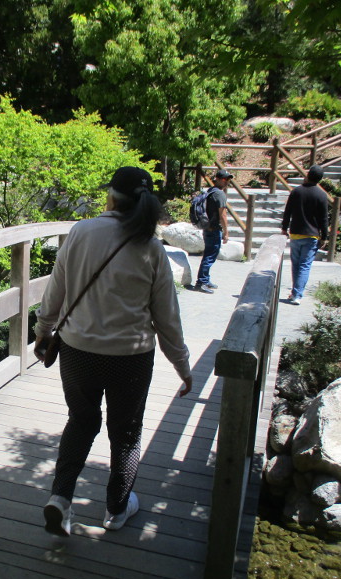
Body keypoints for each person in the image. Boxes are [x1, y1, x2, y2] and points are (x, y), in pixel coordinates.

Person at [34, 166, 193, 537]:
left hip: (78, 352)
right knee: (126, 433)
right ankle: (117, 509)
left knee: (80, 421)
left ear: (110, 196)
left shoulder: (81, 232)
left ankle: (61, 497)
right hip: (131, 359)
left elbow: (55, 291)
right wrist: (182, 366)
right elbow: (167, 317)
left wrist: (43, 332)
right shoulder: (151, 247)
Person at [280, 164, 330, 305]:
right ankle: (297, 294)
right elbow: (324, 219)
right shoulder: (321, 195)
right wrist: (324, 236)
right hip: (312, 235)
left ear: (308, 175)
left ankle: (294, 292)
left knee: (296, 264)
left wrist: (284, 228)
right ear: (320, 179)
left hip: (296, 233)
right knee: (305, 265)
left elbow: (287, 211)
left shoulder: (296, 192)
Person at [192, 169, 231, 294]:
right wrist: (226, 232)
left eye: (228, 179)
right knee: (209, 256)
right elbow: (223, 215)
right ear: (218, 180)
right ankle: (201, 282)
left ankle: (206, 279)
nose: (227, 182)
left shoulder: (210, 191)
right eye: (224, 179)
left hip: (207, 228)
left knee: (209, 254)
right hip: (214, 229)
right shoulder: (219, 194)